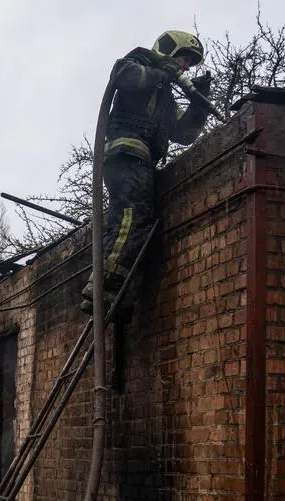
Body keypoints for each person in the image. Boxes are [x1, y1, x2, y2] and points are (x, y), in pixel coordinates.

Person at [80, 30, 214, 314]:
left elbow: (184, 134)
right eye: (184, 59)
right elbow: (122, 74)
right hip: (126, 151)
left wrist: (199, 106)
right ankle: (105, 284)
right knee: (132, 216)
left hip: (141, 160)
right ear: (169, 50)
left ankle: (111, 287)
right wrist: (162, 72)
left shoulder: (165, 99)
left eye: (191, 63)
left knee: (131, 219)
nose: (186, 67)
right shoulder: (140, 60)